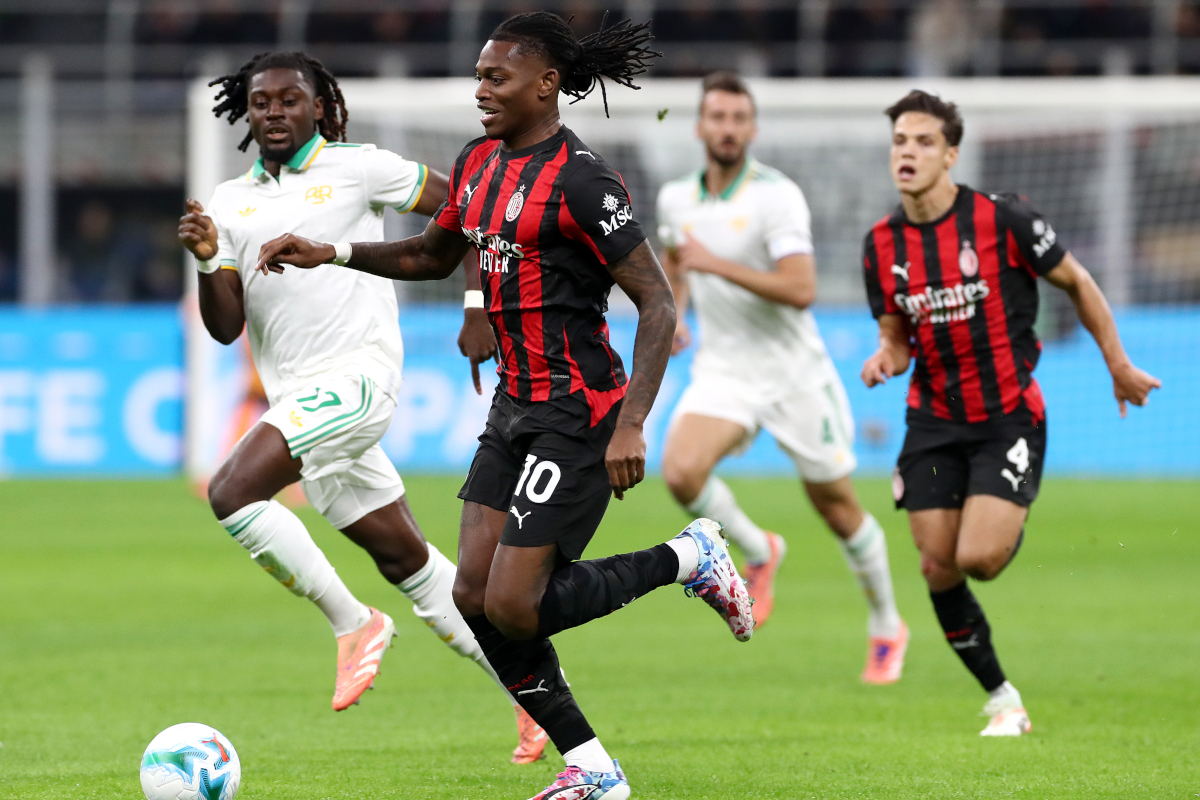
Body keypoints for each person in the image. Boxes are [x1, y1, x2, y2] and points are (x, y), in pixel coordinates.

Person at [254, 14, 755, 800]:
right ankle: (592, 769)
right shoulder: (479, 162)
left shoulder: (586, 180)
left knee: (516, 606)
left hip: (580, 413)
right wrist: (335, 251)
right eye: (480, 76)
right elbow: (430, 254)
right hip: (513, 412)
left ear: (546, 84)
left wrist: (632, 422)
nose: (480, 89)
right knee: (472, 597)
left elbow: (658, 307)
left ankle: (690, 558)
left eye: (497, 77)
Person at [176, 50, 547, 764]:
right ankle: (529, 697)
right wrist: (206, 258)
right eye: (262, 103)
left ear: (319, 106)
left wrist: (477, 303)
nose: (276, 112)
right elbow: (226, 328)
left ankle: (354, 623)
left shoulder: (361, 166)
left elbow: (470, 210)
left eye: (290, 100)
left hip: (358, 383)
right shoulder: (229, 201)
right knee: (411, 561)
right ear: (248, 114)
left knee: (231, 491)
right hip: (302, 403)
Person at [860, 89, 1161, 735]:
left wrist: (1118, 364)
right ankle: (1002, 696)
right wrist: (887, 355)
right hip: (932, 422)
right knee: (937, 565)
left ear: (950, 154)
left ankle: (1000, 507)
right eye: (899, 142)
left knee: (980, 559)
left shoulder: (1004, 220)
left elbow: (1077, 281)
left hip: (1006, 417)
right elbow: (894, 331)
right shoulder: (880, 245)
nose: (907, 153)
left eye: (922, 142)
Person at [656, 72, 909, 683]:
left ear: (752, 128)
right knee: (681, 470)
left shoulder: (776, 196)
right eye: (717, 116)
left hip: (794, 374)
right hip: (725, 369)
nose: (727, 128)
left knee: (836, 505)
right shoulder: (675, 199)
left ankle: (886, 623)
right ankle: (759, 548)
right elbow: (673, 259)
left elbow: (801, 289)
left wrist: (715, 264)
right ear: (699, 126)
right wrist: (677, 311)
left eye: (739, 118)